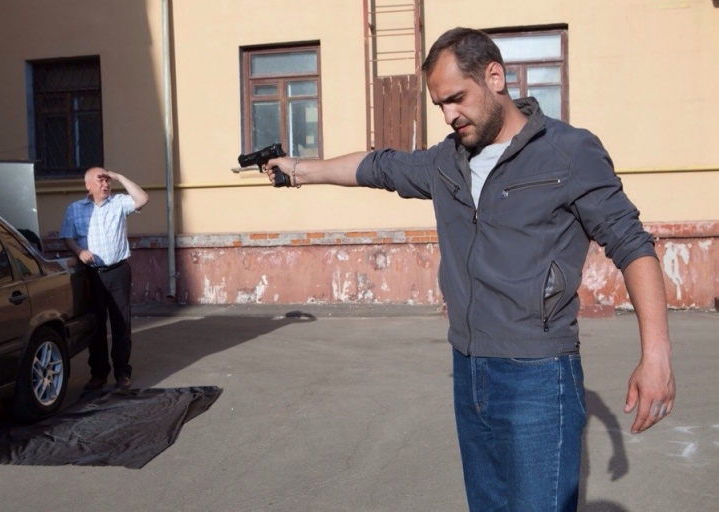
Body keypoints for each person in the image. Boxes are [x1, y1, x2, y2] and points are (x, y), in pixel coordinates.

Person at [265, 27, 675, 512]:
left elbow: (632, 245)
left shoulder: (568, 153)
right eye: (440, 105)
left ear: (494, 77)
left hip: (539, 375)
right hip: (468, 367)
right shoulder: (447, 161)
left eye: (456, 98)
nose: (449, 115)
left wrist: (656, 356)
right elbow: (378, 167)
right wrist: (299, 171)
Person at [60, 167, 149, 391]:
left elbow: (142, 199)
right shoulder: (75, 209)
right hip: (92, 275)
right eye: (100, 181)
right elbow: (68, 237)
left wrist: (119, 176)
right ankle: (99, 374)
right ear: (88, 185)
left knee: (121, 323)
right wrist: (79, 251)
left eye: (108, 181)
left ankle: (122, 372)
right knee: (96, 325)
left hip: (118, 271)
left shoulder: (118, 203)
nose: (105, 184)